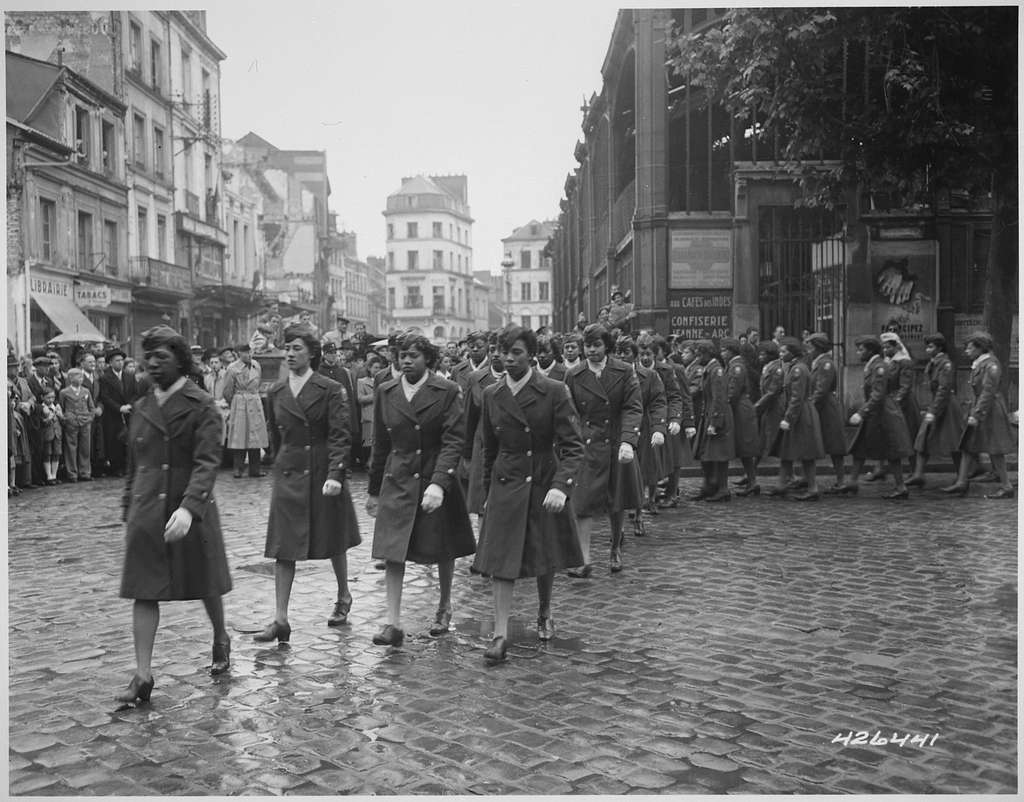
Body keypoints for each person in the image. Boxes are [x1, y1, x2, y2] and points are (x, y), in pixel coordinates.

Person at [116, 325, 233, 706]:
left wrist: (189, 507)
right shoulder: (142, 406)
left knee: (205, 582)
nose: (152, 363)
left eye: (161, 356)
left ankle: (220, 636)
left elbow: (207, 462)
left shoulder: (201, 405)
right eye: (148, 356)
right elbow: (135, 462)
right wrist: (128, 504)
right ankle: (143, 675)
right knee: (143, 589)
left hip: (190, 510)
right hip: (148, 509)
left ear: (181, 361)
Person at [472, 326, 585, 662]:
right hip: (506, 482)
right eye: (504, 351)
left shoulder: (553, 390)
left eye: (517, 352)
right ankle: (500, 633)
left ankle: (545, 608)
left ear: (531, 354)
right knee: (500, 560)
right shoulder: (492, 394)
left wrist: (560, 487)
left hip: (542, 480)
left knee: (543, 552)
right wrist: (487, 490)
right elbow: (489, 448)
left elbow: (573, 446)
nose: (509, 358)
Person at [365, 333, 475, 646]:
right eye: (401, 355)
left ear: (428, 358)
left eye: (413, 355)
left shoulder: (447, 391)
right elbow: (381, 443)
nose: (406, 361)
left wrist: (440, 482)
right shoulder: (386, 391)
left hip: (434, 477)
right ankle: (393, 621)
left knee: (443, 546)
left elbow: (455, 440)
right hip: (398, 479)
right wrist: (374, 490)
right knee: (392, 548)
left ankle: (444, 605)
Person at [255, 324, 362, 643]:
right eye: (287, 347)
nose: (289, 353)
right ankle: (280, 619)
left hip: (321, 470)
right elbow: (275, 434)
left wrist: (335, 474)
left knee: (334, 538)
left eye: (297, 348)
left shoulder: (329, 388)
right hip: (289, 472)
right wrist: (280, 463)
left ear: (312, 353)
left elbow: (341, 434)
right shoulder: (276, 391)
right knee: (283, 546)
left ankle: (344, 595)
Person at [563, 324, 643, 576]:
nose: (591, 351)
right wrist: (571, 441)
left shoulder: (624, 371)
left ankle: (615, 548)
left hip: (617, 442)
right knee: (582, 502)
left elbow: (633, 406)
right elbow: (568, 412)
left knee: (616, 500)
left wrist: (628, 440)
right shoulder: (574, 375)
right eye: (587, 346)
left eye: (596, 345)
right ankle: (583, 558)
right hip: (587, 445)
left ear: (606, 346)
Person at [943, 331, 1016, 499]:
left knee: (995, 449)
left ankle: (1006, 486)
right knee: (969, 444)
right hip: (981, 408)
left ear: (980, 348)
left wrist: (977, 414)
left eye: (969, 348)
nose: (966, 351)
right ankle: (962, 482)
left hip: (990, 411)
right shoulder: (980, 363)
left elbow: (988, 392)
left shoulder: (991, 365)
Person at [839, 335, 913, 498]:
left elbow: (878, 395)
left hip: (883, 413)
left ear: (870, 350)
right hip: (875, 413)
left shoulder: (879, 366)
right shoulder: (873, 365)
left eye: (861, 350)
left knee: (892, 450)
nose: (858, 353)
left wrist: (861, 412)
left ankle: (901, 487)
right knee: (860, 447)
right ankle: (852, 482)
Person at [767, 337, 824, 501]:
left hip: (800, 414)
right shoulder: (794, 367)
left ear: (792, 353)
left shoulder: (798, 369)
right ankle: (781, 485)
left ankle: (813, 488)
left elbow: (797, 397)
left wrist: (789, 418)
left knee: (806, 453)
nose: (781, 353)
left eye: (784, 351)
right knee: (786, 451)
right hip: (797, 412)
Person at [907, 333, 964, 488]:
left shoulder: (945, 364)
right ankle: (918, 474)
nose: (927, 350)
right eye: (927, 346)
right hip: (936, 404)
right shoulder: (933, 362)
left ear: (939, 347)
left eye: (931, 346)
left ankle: (961, 477)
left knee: (954, 442)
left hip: (947, 407)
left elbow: (943, 389)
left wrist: (933, 410)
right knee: (922, 438)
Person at [866, 332, 921, 481]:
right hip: (890, 402)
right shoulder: (888, 362)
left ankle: (915, 471)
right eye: (883, 347)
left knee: (909, 436)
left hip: (904, 405)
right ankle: (880, 468)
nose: (885, 350)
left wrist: (895, 403)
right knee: (885, 436)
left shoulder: (905, 362)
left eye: (888, 347)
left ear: (896, 346)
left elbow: (905, 387)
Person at [650, 334, 696, 507]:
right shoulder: (652, 368)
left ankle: (672, 494)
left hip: (673, 419)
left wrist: (688, 422)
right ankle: (661, 492)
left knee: (674, 460)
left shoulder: (674, 368)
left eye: (657, 350)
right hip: (657, 418)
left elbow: (684, 396)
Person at [806, 333, 849, 493]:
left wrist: (810, 406)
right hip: (819, 407)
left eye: (810, 346)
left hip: (826, 408)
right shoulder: (817, 362)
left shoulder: (826, 364)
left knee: (834, 445)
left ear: (818, 347)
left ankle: (841, 481)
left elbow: (821, 389)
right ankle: (807, 479)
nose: (808, 350)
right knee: (814, 443)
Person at [692, 340, 735, 502]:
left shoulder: (716, 370)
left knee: (719, 455)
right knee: (707, 453)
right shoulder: (710, 369)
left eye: (700, 354)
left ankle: (723, 488)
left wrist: (715, 422)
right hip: (709, 414)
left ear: (708, 353)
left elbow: (719, 398)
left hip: (718, 416)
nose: (698, 357)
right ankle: (709, 485)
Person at [222, 344, 269, 478]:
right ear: (239, 354)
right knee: (239, 437)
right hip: (240, 402)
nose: (249, 355)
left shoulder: (256, 365)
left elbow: (258, 383)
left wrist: (253, 396)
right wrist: (236, 402)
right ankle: (238, 469)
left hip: (254, 401)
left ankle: (255, 469)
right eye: (245, 353)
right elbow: (227, 391)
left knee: (256, 437)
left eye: (250, 352)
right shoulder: (232, 369)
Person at [720, 337, 760, 492]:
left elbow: (733, 391)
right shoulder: (733, 365)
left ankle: (752, 481)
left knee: (745, 446)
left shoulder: (736, 367)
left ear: (731, 351)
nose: (722, 353)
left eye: (724, 350)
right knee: (744, 448)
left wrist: (725, 406)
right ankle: (751, 480)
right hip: (738, 408)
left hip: (740, 409)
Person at [99, 348, 139, 477]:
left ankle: (128, 466)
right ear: (110, 363)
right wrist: (119, 407)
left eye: (122, 360)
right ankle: (117, 467)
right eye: (117, 361)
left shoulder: (129, 376)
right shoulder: (105, 377)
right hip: (113, 414)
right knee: (114, 440)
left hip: (128, 412)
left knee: (128, 439)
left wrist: (130, 405)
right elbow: (105, 397)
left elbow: (135, 393)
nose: (120, 363)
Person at [59, 367, 95, 483]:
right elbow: (61, 407)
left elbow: (91, 406)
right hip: (72, 422)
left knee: (85, 448)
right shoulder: (64, 392)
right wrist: (66, 419)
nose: (81, 379)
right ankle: (72, 473)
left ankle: (85, 472)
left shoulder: (86, 391)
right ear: (70, 378)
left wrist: (90, 417)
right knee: (71, 448)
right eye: (78, 376)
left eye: (81, 376)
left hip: (85, 422)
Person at [356, 355, 383, 467]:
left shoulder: (383, 381)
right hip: (369, 415)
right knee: (369, 442)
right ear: (369, 368)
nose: (377, 370)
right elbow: (360, 398)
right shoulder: (362, 382)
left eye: (379, 367)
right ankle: (369, 463)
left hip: (381, 414)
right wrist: (375, 395)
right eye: (375, 367)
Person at [38, 387, 63, 485]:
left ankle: (54, 475)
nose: (51, 400)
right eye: (48, 398)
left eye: (52, 397)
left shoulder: (56, 406)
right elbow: (41, 422)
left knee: (57, 453)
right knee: (47, 453)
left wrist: (60, 415)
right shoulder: (41, 408)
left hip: (57, 433)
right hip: (47, 434)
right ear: (42, 397)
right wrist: (48, 418)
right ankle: (48, 475)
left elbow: (63, 419)